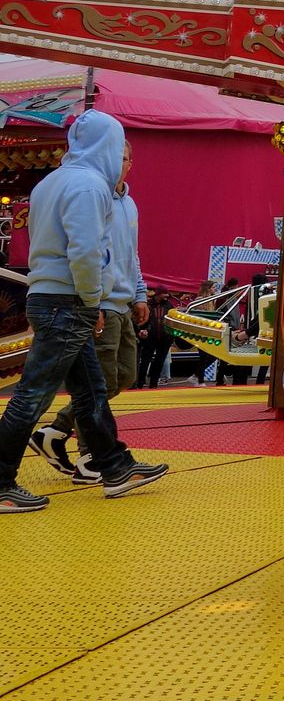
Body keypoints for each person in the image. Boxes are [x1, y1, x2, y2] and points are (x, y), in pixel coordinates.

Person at [0, 111, 168, 512]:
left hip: (49, 294)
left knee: (91, 390)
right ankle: (2, 481)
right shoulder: (91, 186)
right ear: (109, 145)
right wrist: (93, 300)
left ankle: (114, 466)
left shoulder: (50, 182)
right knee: (33, 396)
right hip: (70, 300)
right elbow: (86, 251)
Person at [32, 138, 148, 478]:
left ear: (131, 164)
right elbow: (88, 252)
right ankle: (89, 455)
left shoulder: (129, 204)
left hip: (122, 303)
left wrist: (140, 293)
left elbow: (131, 255)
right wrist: (92, 300)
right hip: (102, 303)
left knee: (124, 375)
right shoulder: (95, 196)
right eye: (114, 156)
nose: (118, 163)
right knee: (98, 383)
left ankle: (56, 431)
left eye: (124, 158)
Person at [136, 294, 174, 389]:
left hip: (165, 338)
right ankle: (140, 383)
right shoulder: (149, 304)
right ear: (158, 294)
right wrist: (142, 330)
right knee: (145, 360)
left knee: (159, 361)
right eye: (164, 293)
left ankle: (153, 383)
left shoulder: (169, 305)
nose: (167, 295)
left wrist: (171, 335)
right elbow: (143, 319)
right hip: (150, 336)